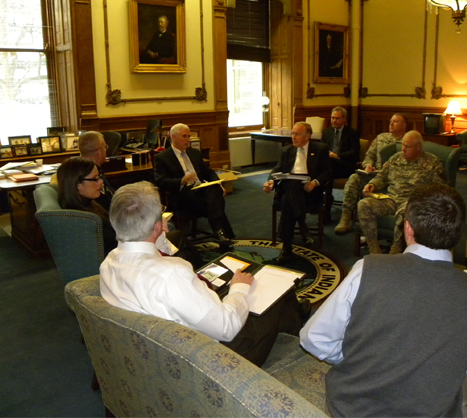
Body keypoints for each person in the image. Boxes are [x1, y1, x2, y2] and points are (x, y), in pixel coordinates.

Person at [300, 183, 467, 418]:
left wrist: (352, 356)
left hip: (353, 410)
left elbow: (314, 338)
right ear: (458, 233)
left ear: (408, 228)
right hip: (430, 412)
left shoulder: (368, 268)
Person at [99, 181, 302, 367]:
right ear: (158, 225)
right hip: (214, 359)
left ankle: (296, 318)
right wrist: (239, 288)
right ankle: (294, 351)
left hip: (155, 349)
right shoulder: (171, 274)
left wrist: (157, 235)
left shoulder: (108, 262)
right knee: (278, 293)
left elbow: (150, 258)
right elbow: (226, 328)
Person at [57, 158, 203, 268]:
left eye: (99, 176)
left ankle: (198, 273)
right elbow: (113, 242)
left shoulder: (90, 201)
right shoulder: (85, 218)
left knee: (177, 237)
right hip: (126, 257)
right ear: (77, 184)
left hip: (128, 246)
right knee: (180, 247)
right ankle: (199, 276)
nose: (101, 182)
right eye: (95, 179)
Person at [358, 130, 446, 254]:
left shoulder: (432, 163)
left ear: (418, 147)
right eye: (403, 145)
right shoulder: (395, 158)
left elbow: (440, 188)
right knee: (363, 205)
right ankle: (374, 249)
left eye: (408, 147)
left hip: (412, 202)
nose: (403, 149)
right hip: (390, 199)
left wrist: (424, 200)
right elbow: (381, 177)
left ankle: (395, 251)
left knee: (406, 212)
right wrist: (372, 185)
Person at [263, 122, 332, 263]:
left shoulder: (320, 149)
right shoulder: (287, 150)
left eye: (297, 134)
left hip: (310, 191)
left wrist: (314, 183)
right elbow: (277, 170)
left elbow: (327, 172)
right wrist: (271, 182)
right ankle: (303, 228)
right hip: (291, 190)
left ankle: (286, 247)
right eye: (292, 133)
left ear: (308, 136)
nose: (293, 137)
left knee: (288, 198)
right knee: (292, 188)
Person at [153, 123, 235, 241]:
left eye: (189, 136)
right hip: (182, 195)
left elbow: (208, 172)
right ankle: (221, 233)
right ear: (174, 137)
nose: (188, 140)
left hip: (201, 190)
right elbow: (161, 181)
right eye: (184, 136)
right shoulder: (162, 157)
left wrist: (218, 183)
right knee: (214, 201)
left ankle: (220, 233)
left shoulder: (194, 153)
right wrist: (182, 181)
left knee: (214, 190)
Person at [335, 113, 407, 234]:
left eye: (395, 121)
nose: (391, 124)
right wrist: (368, 165)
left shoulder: (407, 142)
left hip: (394, 179)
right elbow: (369, 156)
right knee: (354, 179)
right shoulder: (381, 138)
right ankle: (346, 217)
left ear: (404, 125)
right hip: (374, 174)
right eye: (390, 121)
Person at [321, 106, 360, 179]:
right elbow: (322, 148)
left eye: (337, 118)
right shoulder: (326, 132)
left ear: (344, 119)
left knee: (328, 166)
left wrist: (337, 155)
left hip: (345, 164)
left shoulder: (352, 133)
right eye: (333, 118)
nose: (334, 121)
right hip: (329, 162)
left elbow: (354, 152)